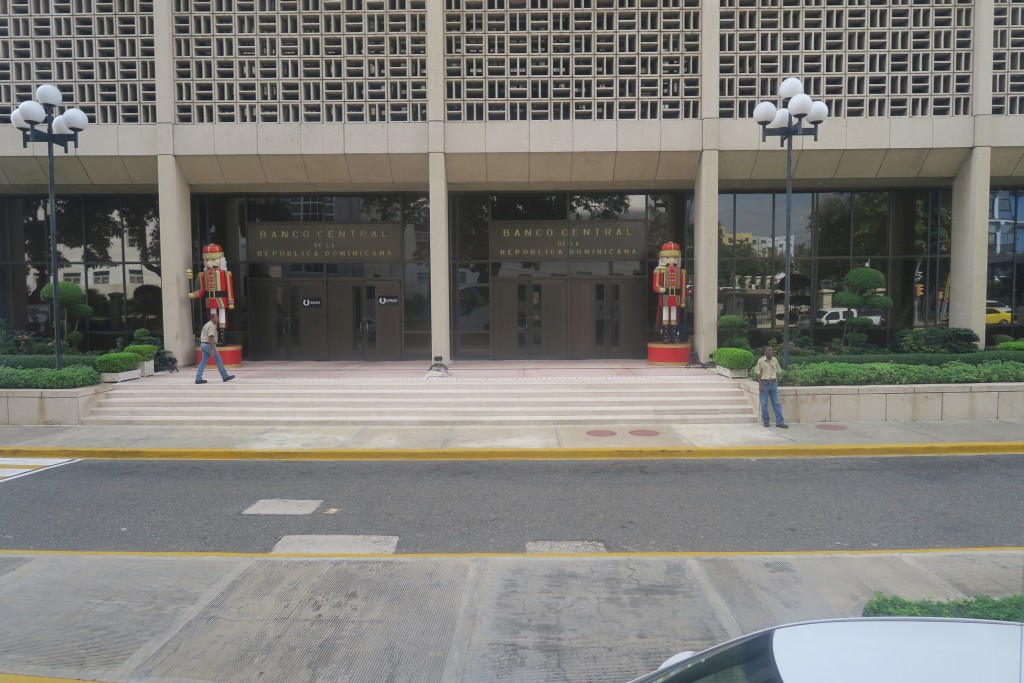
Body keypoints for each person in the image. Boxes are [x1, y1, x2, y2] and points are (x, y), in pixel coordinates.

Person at [195, 309, 235, 385]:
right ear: (212, 318)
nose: (218, 319)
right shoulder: (211, 326)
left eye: (218, 318)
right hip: (209, 345)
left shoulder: (206, 324)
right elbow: (210, 338)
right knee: (218, 360)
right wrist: (213, 349)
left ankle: (198, 378)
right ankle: (225, 376)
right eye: (216, 318)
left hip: (203, 344)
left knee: (203, 362)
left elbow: (202, 335)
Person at [753, 345, 787, 428]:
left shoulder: (775, 360)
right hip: (764, 384)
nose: (771, 351)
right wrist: (760, 385)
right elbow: (758, 373)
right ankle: (766, 421)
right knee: (764, 403)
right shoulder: (761, 361)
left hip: (773, 384)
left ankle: (779, 422)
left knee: (777, 403)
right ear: (765, 352)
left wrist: (776, 379)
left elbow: (778, 371)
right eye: (769, 350)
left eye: (771, 350)